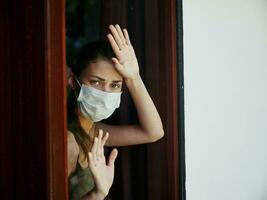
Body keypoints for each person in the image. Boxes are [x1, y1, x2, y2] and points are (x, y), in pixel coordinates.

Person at [67, 24, 164, 199]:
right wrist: (98, 193)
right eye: (96, 82)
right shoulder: (68, 142)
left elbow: (153, 132)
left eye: (115, 85)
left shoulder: (94, 132)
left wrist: (133, 77)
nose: (105, 92)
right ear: (73, 82)